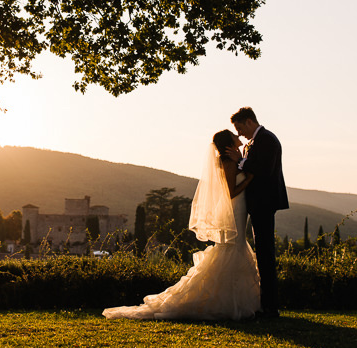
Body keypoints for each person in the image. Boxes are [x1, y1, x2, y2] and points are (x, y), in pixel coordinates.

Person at [103, 130, 261, 320]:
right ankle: (228, 304)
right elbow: (231, 191)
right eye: (234, 135)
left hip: (239, 209)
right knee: (232, 248)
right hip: (235, 208)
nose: (238, 136)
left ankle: (234, 303)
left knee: (235, 248)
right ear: (228, 142)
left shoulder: (233, 159)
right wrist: (250, 178)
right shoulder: (227, 162)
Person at [227, 106, 288, 317]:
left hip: (264, 203)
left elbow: (263, 170)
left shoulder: (268, 140)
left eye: (239, 127)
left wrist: (240, 161)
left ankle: (271, 307)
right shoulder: (253, 143)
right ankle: (266, 304)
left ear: (249, 122)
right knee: (262, 253)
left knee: (265, 254)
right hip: (255, 204)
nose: (238, 133)